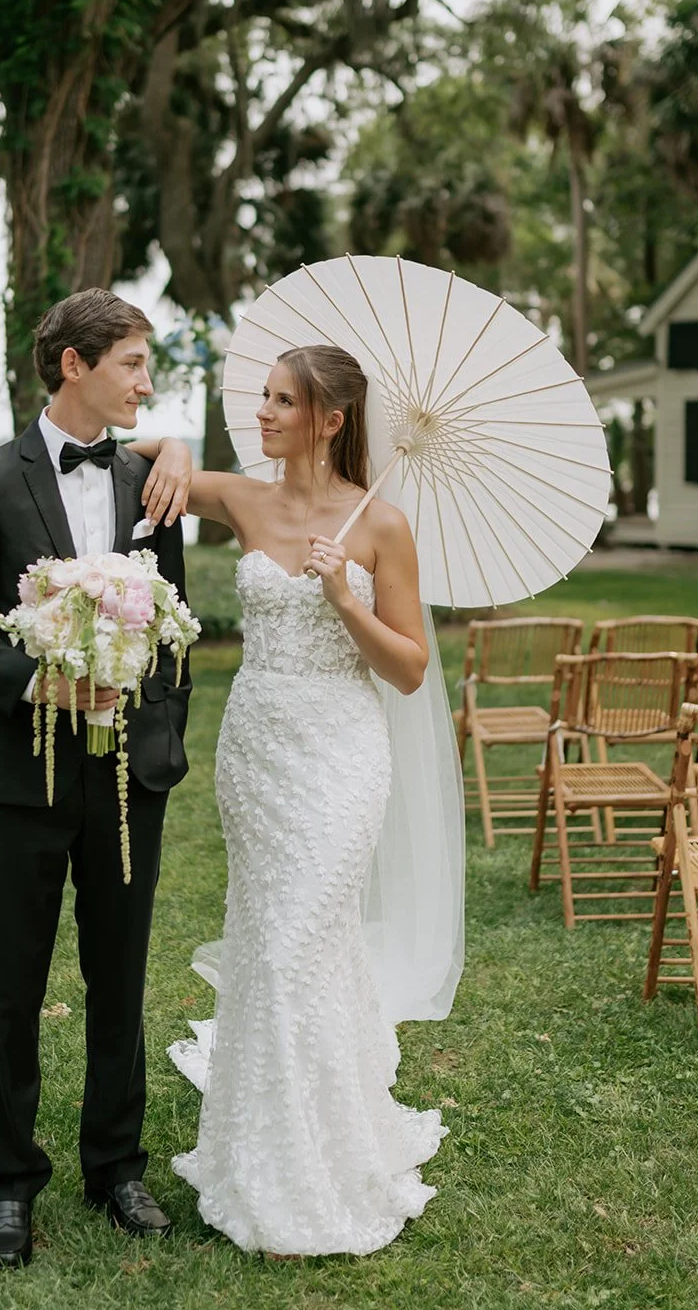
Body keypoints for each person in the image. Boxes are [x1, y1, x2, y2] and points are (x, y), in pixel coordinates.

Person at [140, 344, 465, 1256]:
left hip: (341, 752)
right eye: (265, 397)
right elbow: (129, 458)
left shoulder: (382, 525)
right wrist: (172, 445)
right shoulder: (244, 499)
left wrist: (344, 599)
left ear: (330, 419)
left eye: (284, 402)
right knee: (273, 937)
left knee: (296, 940)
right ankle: (264, 1142)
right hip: (257, 749)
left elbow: (409, 670)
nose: (265, 413)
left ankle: (310, 1165)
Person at [0, 289, 194, 1267]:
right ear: (74, 364)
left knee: (119, 979)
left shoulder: (154, 481)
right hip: (19, 777)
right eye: (132, 363)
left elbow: (176, 622)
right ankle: (9, 1182)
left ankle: (117, 1166)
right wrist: (38, 681)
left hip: (128, 778)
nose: (145, 383)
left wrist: (159, 730)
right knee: (14, 985)